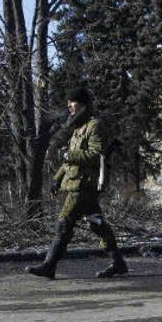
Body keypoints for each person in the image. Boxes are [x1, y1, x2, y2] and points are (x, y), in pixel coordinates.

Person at [26, 87, 127, 280]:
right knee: (97, 224)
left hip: (83, 186)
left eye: (73, 102)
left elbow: (96, 154)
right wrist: (57, 179)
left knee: (64, 223)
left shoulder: (93, 126)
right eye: (68, 102)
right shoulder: (78, 129)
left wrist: (69, 154)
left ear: (83, 104)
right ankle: (118, 263)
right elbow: (68, 161)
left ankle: (49, 265)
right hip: (76, 184)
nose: (69, 105)